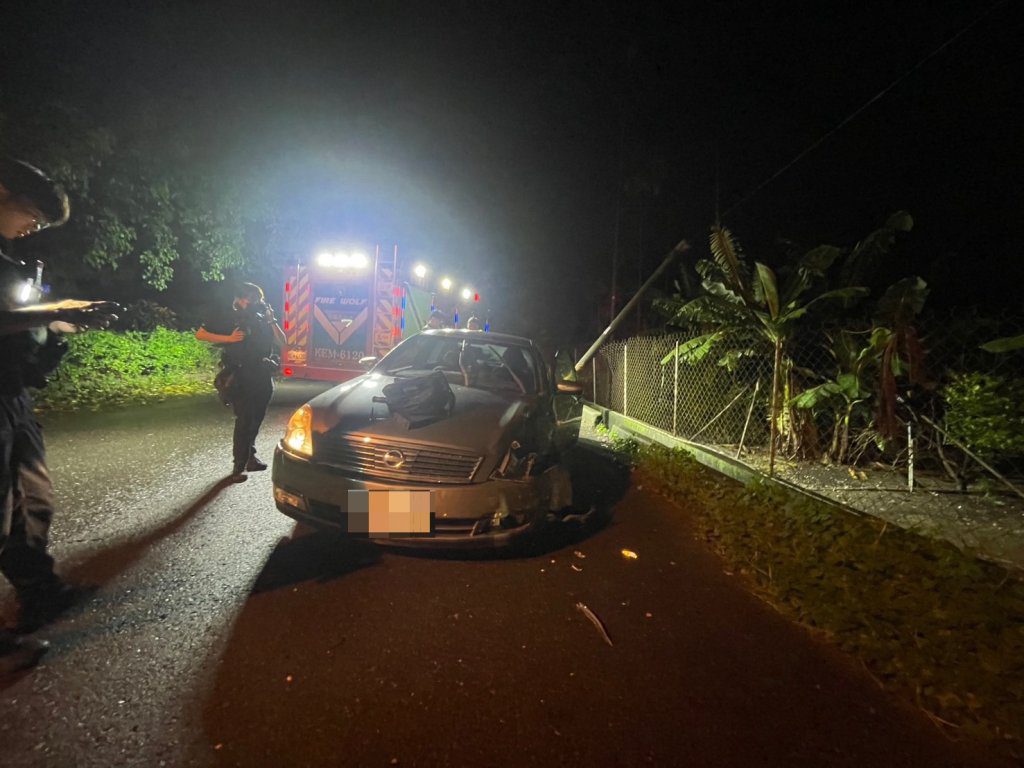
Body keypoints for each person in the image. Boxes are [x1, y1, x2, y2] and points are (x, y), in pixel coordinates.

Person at [1, 157, 117, 674]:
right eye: (33, 214)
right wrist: (54, 311)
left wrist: (61, 325)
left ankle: (40, 592)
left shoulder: (8, 258)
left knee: (32, 498)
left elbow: (19, 325)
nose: (35, 227)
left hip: (12, 396)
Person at [196, 283, 286, 480]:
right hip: (241, 375)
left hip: (262, 374)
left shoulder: (263, 317)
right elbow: (200, 334)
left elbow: (283, 341)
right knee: (244, 419)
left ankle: (250, 457)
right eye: (253, 299)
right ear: (240, 298)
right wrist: (228, 338)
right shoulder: (228, 315)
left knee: (256, 419)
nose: (258, 303)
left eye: (259, 299)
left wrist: (272, 321)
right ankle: (238, 466)